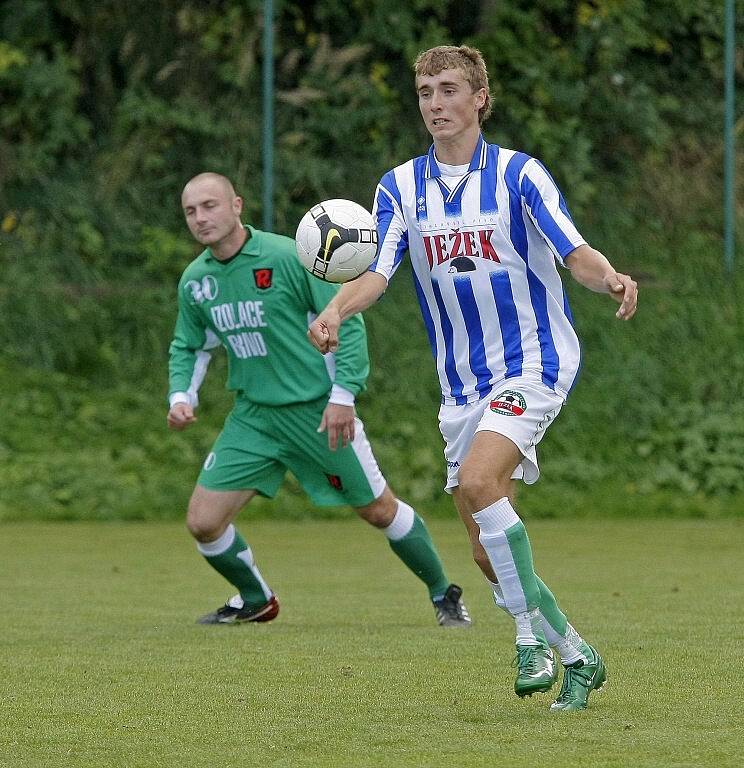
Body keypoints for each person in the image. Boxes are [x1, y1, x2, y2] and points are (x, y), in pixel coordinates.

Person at [308, 45, 638, 712]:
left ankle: (527, 640)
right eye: (426, 91)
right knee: (489, 553)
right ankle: (578, 656)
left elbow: (571, 251)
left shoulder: (520, 176)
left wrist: (610, 279)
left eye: (450, 89)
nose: (436, 102)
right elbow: (378, 271)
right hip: (461, 384)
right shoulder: (399, 186)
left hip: (535, 361)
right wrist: (337, 306)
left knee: (484, 481)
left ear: (480, 98)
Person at [167, 171, 471, 629]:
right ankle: (256, 600)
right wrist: (180, 395)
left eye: (210, 205)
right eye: (191, 211)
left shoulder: (288, 256)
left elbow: (345, 322)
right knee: (203, 521)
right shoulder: (196, 281)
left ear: (236, 205)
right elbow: (188, 345)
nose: (200, 218)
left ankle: (442, 593)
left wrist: (343, 395)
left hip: (317, 411)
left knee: (378, 509)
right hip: (253, 417)